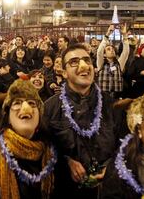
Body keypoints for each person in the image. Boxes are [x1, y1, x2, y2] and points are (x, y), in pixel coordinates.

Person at [44, 43, 116, 198]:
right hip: (67, 191)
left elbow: (124, 145)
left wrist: (110, 167)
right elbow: (44, 148)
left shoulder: (110, 103)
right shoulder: (50, 108)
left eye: (87, 60)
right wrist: (67, 161)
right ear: (64, 72)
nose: (83, 66)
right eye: (74, 62)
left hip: (108, 189)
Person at [0, 79, 58, 199]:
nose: (25, 108)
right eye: (17, 103)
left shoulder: (52, 150)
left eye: (32, 103)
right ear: (7, 117)